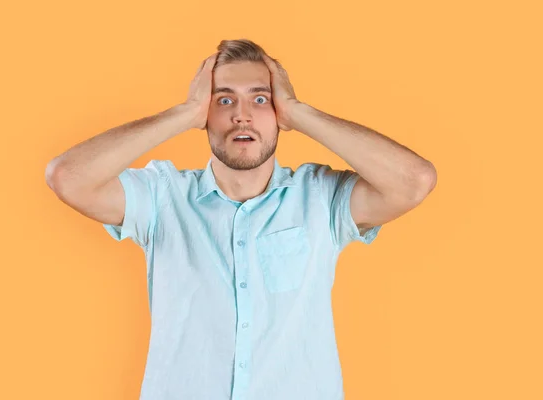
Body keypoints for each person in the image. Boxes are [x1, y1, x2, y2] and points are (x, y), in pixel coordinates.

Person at [45, 39, 437, 400]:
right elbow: (68, 177)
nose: (243, 117)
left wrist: (300, 112)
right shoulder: (163, 197)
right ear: (205, 114)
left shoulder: (319, 197)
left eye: (261, 99)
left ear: (279, 111)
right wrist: (182, 114)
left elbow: (414, 181)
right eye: (224, 101)